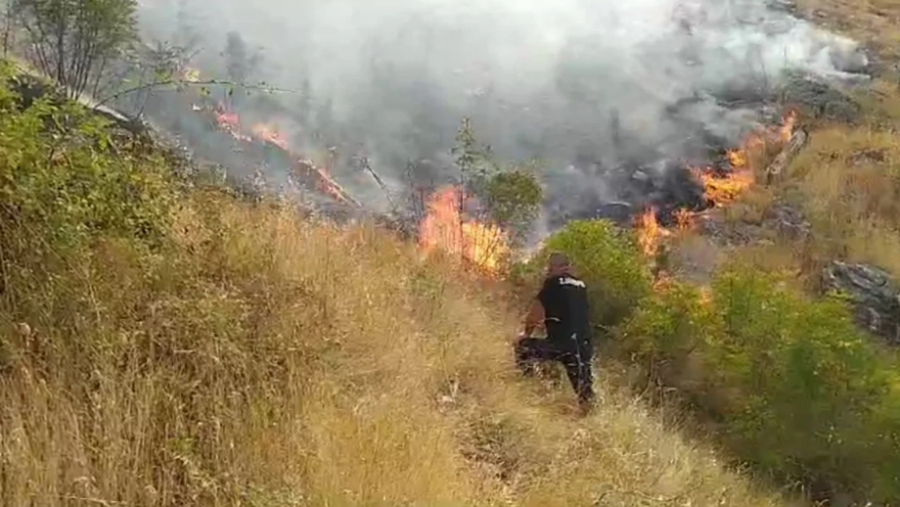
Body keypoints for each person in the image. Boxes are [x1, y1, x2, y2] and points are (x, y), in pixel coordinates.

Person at [514, 252, 596, 415]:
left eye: (549, 268)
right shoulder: (582, 286)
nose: (548, 271)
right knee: (585, 393)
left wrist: (526, 334)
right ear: (568, 267)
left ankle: (528, 388)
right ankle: (592, 419)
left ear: (554, 267)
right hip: (583, 347)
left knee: (523, 347)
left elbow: (534, 316)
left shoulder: (552, 283)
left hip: (560, 345)